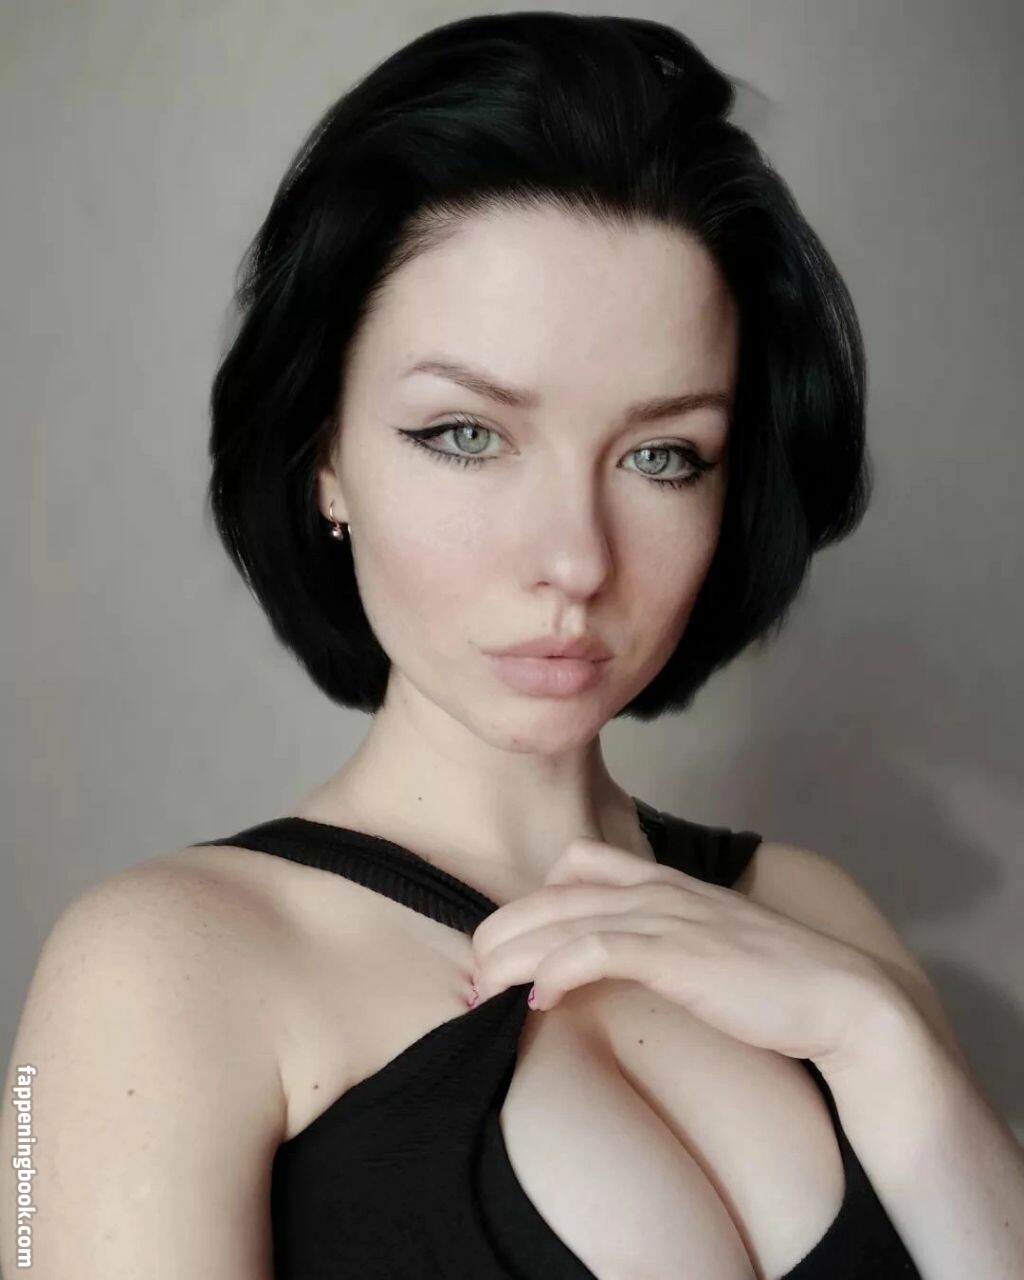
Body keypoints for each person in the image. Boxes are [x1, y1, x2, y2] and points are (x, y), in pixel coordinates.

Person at [6, 12, 1019, 1280]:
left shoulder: (812, 913)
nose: (575, 558)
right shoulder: (161, 966)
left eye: (662, 455)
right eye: (466, 435)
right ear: (325, 454)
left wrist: (879, 1039)